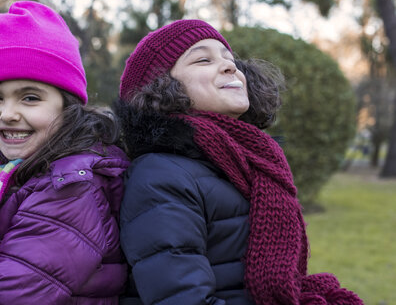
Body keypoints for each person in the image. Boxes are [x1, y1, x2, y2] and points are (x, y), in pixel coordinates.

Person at [115, 20, 363, 305]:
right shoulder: (160, 175)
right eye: (203, 59)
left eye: (230, 59)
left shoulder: (246, 162)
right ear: (160, 87)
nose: (230, 67)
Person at [0, 1, 129, 305]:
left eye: (30, 97)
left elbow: (6, 297)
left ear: (68, 106)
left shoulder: (71, 188)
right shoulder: (7, 173)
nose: (8, 113)